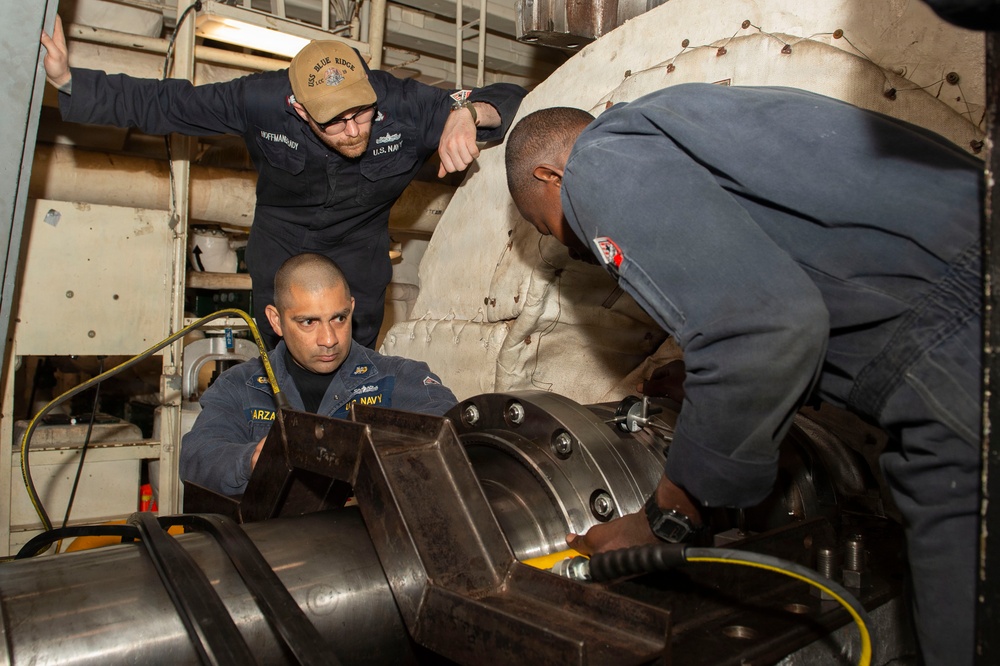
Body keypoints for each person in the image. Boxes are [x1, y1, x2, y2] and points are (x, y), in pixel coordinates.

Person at [504, 84, 982, 665]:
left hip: (958, 345)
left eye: (549, 226)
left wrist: (667, 517)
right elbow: (805, 299)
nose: (569, 243)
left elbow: (762, 328)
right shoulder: (686, 117)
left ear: (553, 176)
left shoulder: (600, 162)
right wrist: (709, 381)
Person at [39, 15, 526, 349]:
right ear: (298, 110)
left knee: (353, 360)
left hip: (360, 245)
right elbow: (168, 104)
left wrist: (466, 111)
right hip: (282, 240)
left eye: (362, 112)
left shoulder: (404, 103)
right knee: (285, 360)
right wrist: (69, 82)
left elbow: (513, 97)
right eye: (334, 122)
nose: (354, 130)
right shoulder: (261, 100)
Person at [180, 253, 457, 495]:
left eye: (339, 318)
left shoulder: (395, 378)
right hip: (275, 547)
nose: (329, 339)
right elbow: (197, 458)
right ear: (276, 320)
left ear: (352, 308)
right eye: (309, 322)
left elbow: (452, 432)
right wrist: (252, 460)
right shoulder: (241, 387)